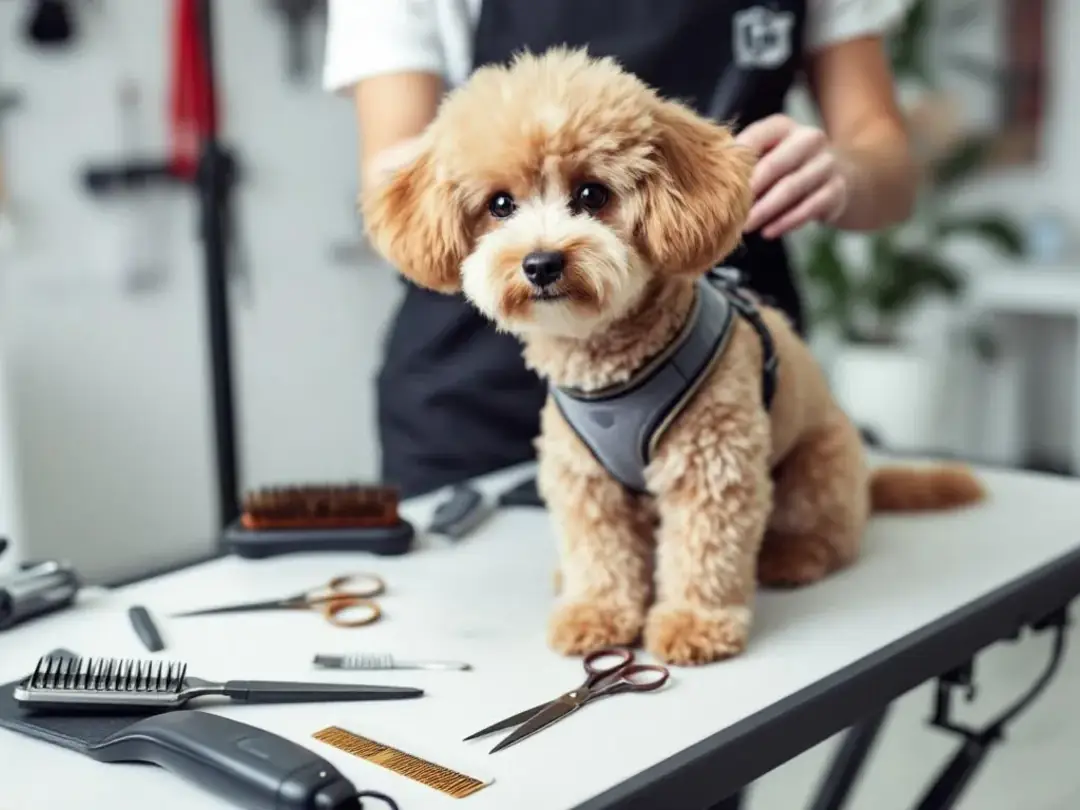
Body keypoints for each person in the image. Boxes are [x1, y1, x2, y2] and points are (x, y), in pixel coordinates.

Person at [323, 0, 918, 501]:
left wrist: (847, 175)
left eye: (590, 195)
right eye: (504, 204)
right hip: (475, 395)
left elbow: (886, 159)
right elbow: (392, 163)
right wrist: (478, 188)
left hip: (719, 363)